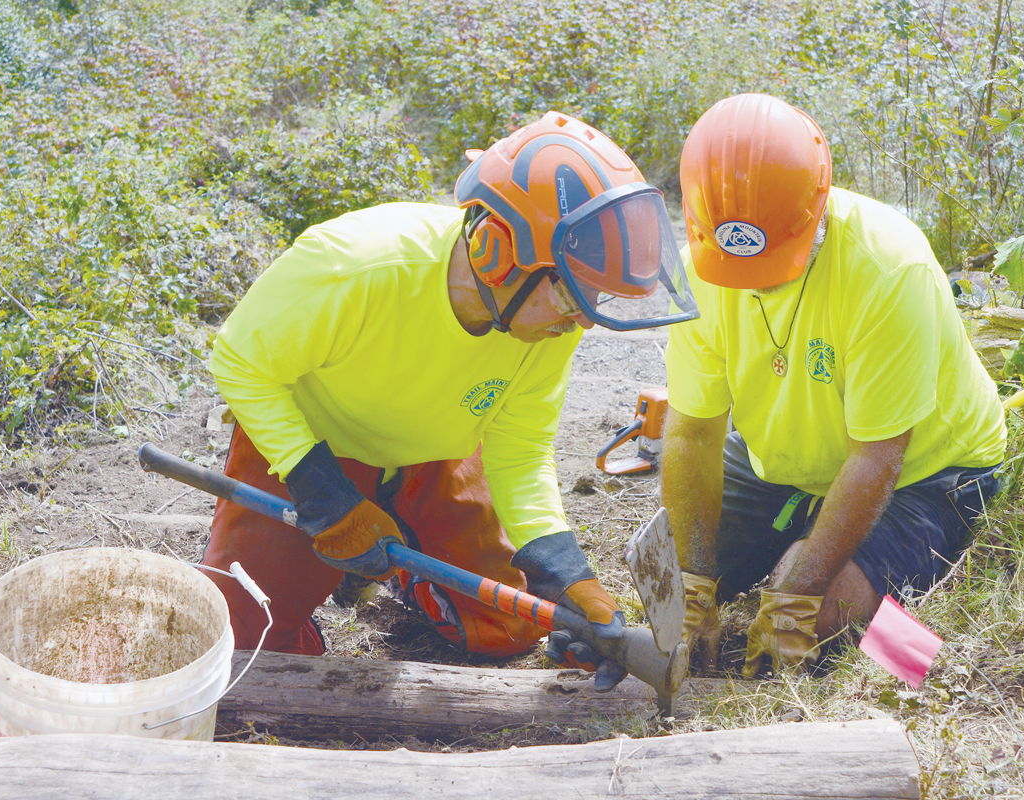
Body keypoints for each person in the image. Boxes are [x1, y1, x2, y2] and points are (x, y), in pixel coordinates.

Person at [202, 111, 697, 689]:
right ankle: (338, 549)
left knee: (512, 626)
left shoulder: (545, 321)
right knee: (247, 635)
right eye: (574, 293)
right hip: (308, 448)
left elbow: (520, 448)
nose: (582, 321)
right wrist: (323, 492)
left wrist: (566, 574)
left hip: (438, 452)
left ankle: (398, 555)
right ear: (496, 250)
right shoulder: (358, 266)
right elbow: (238, 359)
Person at [662, 94, 1006, 677]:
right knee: (665, 588)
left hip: (927, 472)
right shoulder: (698, 265)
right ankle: (790, 548)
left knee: (821, 614)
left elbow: (877, 457)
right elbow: (692, 434)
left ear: (817, 208)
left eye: (773, 265)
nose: (756, 287)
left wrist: (796, 592)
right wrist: (694, 585)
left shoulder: (889, 269)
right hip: (785, 463)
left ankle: (939, 654)